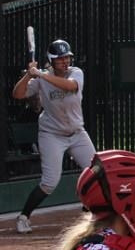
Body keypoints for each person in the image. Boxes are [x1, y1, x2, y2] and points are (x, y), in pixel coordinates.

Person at [12, 39, 95, 234]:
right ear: (52, 60)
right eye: (60, 59)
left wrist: (40, 74)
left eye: (67, 57)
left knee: (96, 171)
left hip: (77, 132)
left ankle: (88, 209)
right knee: (50, 182)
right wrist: (29, 76)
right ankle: (23, 217)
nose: (65, 62)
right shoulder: (42, 79)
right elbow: (17, 94)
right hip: (52, 135)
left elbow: (70, 86)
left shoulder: (76, 73)